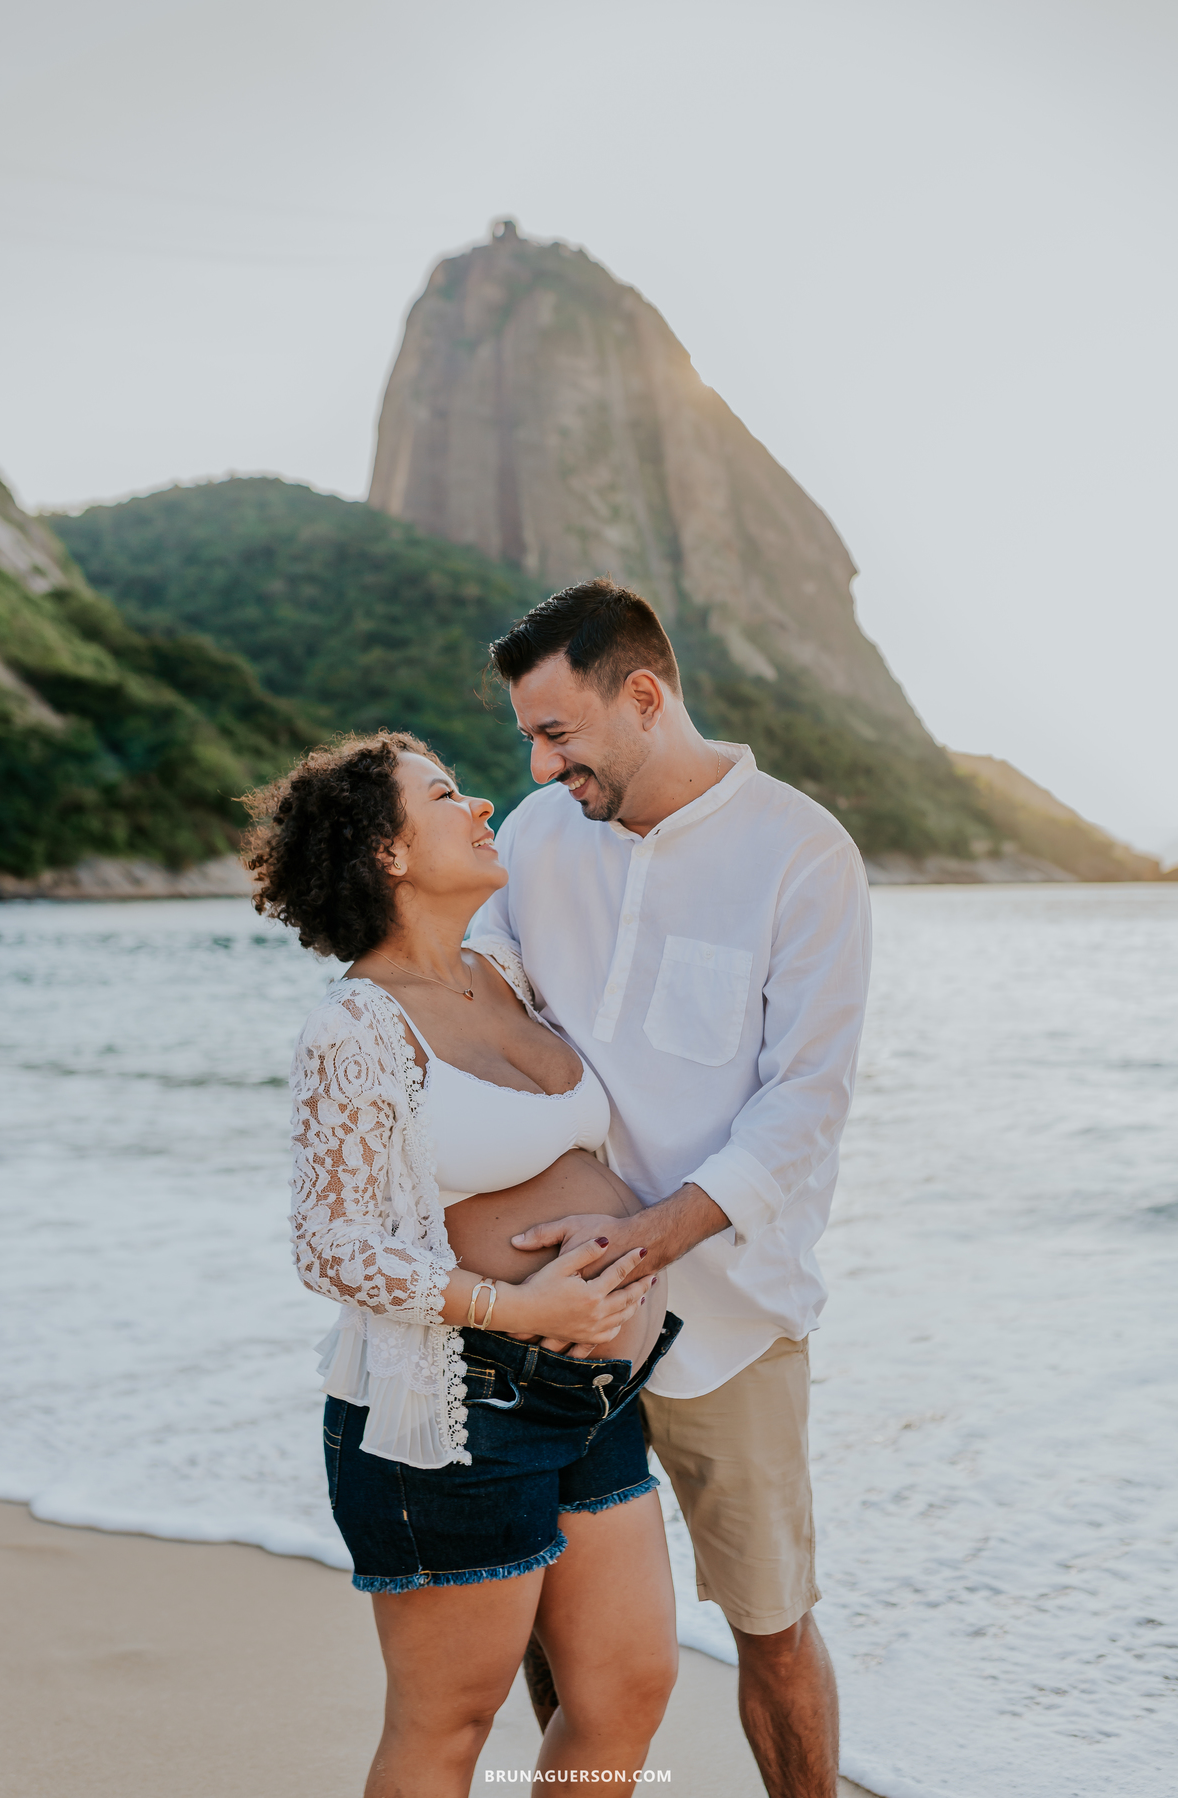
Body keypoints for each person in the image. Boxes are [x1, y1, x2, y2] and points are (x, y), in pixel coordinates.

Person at [469, 580, 873, 1798]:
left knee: (772, 1620)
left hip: (732, 1312)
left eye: (558, 732)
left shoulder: (802, 852)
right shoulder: (541, 838)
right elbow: (480, 992)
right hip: (563, 1303)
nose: (540, 766)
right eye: (530, 736)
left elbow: (805, 1102)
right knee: (562, 1621)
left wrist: (651, 1233)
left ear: (643, 696)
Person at [243, 731, 682, 1798]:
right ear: (387, 852)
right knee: (451, 1723)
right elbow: (330, 1244)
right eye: (445, 795)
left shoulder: (505, 970)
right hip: (457, 1408)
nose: (480, 803)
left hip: (593, 1394)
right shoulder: (355, 1026)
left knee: (627, 1689)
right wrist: (517, 1308)